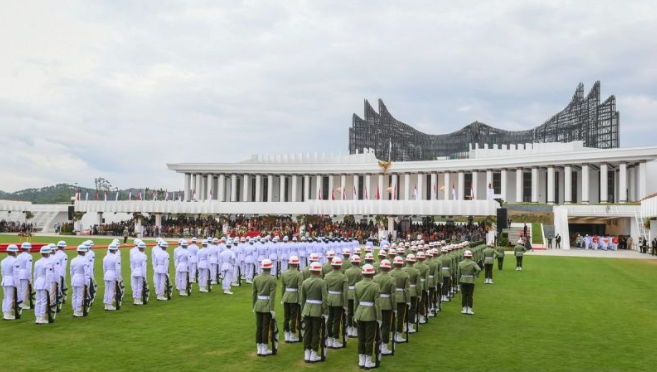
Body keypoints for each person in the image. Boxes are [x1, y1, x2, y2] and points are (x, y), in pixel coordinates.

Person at [354, 264, 382, 369]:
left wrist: (355, 315)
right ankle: (368, 361)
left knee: (361, 338)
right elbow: (377, 304)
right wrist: (379, 318)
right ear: (372, 274)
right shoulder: (375, 286)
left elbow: (356, 302)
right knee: (370, 339)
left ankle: (361, 360)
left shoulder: (357, 285)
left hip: (360, 313)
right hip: (370, 314)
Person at [300, 261, 328, 363]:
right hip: (317, 310)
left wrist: (303, 310)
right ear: (319, 271)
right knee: (315, 332)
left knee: (307, 331)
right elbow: (325, 299)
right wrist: (325, 311)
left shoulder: (305, 282)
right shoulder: (322, 282)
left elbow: (302, 299)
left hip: (307, 309)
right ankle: (313, 353)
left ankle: (307, 353)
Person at [253, 259, 277, 357]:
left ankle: (259, 348)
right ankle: (264, 348)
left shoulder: (256, 278)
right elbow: (272, 296)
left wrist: (253, 306)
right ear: (270, 268)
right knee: (265, 327)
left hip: (258, 304)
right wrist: (272, 309)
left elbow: (254, 294)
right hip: (267, 304)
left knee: (259, 327)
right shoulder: (272, 279)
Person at [325, 256, 348, 348]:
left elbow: (325, 290)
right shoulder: (343, 276)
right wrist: (345, 305)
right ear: (340, 266)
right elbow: (345, 292)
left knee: (330, 319)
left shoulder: (327, 276)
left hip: (329, 299)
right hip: (338, 300)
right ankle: (335, 340)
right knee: (336, 320)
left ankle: (329, 339)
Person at [373, 259, 394, 355]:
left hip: (376, 303)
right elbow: (393, 295)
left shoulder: (375, 278)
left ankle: (377, 343)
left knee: (377, 324)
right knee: (386, 325)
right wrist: (395, 307)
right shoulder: (391, 279)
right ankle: (384, 345)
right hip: (387, 304)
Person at [281, 255, 303, 343]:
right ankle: (292, 334)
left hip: (286, 296)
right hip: (294, 297)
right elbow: (300, 288)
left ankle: (286, 334)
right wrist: (301, 299)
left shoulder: (284, 273)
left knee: (286, 316)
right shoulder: (298, 274)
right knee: (293, 317)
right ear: (297, 264)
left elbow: (283, 287)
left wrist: (282, 298)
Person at [389, 256, 410, 343]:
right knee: (401, 317)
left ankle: (391, 334)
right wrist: (408, 300)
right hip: (401, 297)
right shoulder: (405, 274)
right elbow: (407, 289)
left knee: (391, 317)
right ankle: (398, 335)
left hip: (390, 297)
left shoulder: (390, 273)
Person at [33, 245, 53, 324]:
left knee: (38, 300)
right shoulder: (48, 262)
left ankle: (37, 317)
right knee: (44, 300)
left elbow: (35, 274)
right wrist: (49, 286)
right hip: (44, 282)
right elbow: (48, 275)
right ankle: (42, 317)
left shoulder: (37, 262)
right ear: (48, 253)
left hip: (38, 281)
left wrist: (35, 283)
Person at [70, 244, 90, 317]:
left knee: (74, 295)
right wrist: (87, 282)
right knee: (79, 296)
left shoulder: (73, 260)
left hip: (74, 278)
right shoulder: (85, 260)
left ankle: (75, 309)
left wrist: (72, 278)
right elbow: (86, 273)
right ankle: (78, 311)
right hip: (81, 278)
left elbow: (71, 271)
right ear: (84, 252)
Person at [458, 250, 481, 315]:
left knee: (464, 295)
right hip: (471, 280)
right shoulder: (473, 263)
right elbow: (479, 269)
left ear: (464, 256)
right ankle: (470, 309)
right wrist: (475, 274)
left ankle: (464, 309)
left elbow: (459, 274)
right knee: (470, 295)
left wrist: (458, 282)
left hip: (462, 280)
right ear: (471, 256)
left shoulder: (460, 263)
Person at [2, 244, 21, 320]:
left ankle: (5, 312)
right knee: (9, 297)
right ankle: (7, 314)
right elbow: (16, 274)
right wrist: (17, 284)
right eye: (16, 251)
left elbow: (2, 272)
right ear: (13, 252)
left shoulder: (3, 260)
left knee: (6, 297)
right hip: (11, 280)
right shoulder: (15, 261)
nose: (17, 252)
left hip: (5, 280)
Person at [345, 255, 363, 338]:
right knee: (356, 311)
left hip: (349, 293)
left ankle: (349, 328)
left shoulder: (347, 271)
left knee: (349, 312)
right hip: (357, 293)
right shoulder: (360, 271)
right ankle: (355, 329)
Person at [402, 254, 419, 333]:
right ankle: (410, 325)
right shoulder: (416, 271)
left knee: (405, 309)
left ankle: (405, 325)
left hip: (403, 292)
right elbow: (418, 284)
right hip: (413, 291)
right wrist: (419, 293)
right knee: (412, 309)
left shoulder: (402, 270)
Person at [102, 243, 122, 311]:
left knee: (107, 289)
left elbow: (104, 268)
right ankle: (109, 304)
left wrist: (105, 274)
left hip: (107, 273)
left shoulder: (105, 257)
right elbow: (118, 269)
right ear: (115, 250)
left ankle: (106, 304)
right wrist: (118, 278)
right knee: (111, 290)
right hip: (113, 273)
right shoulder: (116, 257)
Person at [17, 242, 33, 310]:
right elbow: (28, 268)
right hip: (24, 273)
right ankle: (22, 303)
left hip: (18, 273)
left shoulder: (18, 255)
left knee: (19, 289)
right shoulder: (29, 256)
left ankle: (19, 302)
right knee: (24, 290)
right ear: (27, 248)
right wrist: (30, 278)